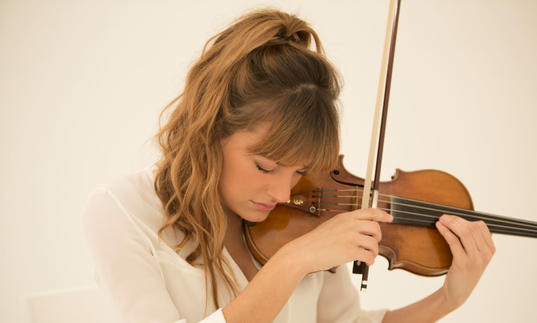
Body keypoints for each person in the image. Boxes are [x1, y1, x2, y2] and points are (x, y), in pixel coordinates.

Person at [82, 9, 495, 323]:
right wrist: (293, 262)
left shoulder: (306, 212)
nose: (284, 194)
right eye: (265, 166)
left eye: (299, 170)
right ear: (208, 131)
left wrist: (449, 299)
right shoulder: (123, 212)